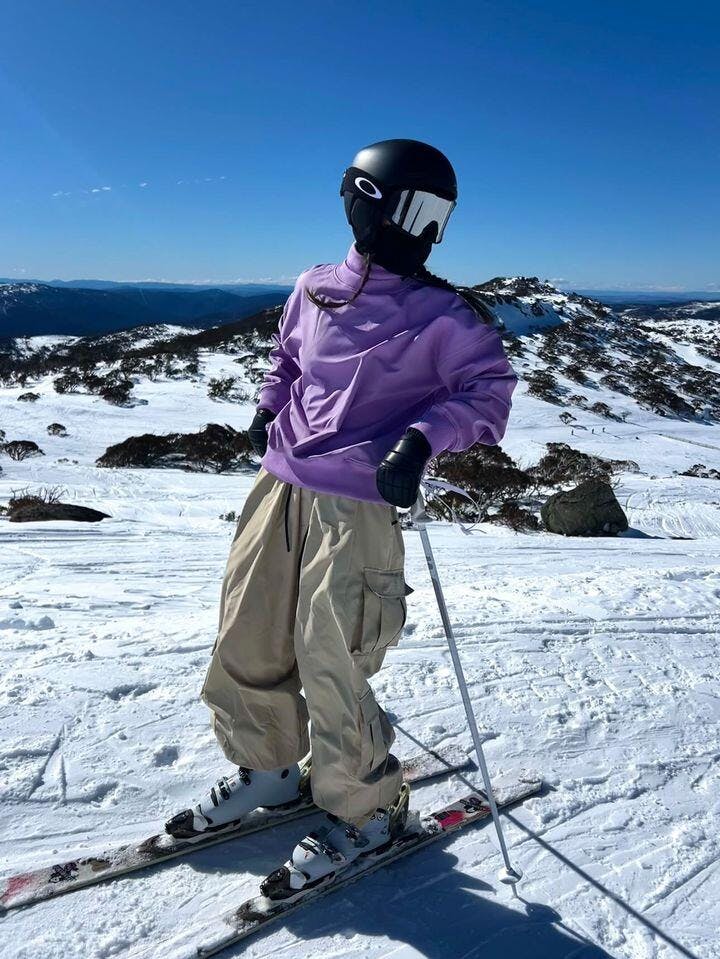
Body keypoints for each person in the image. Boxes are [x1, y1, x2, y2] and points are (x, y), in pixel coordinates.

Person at [166, 139, 518, 898]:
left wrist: (422, 440)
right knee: (247, 633)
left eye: (440, 216)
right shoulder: (315, 287)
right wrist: (268, 408)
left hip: (358, 506)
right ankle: (268, 768)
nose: (427, 231)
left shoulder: (445, 315)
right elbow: (287, 359)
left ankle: (367, 810)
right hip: (279, 485)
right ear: (365, 200)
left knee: (332, 657)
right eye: (416, 210)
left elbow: (487, 394)